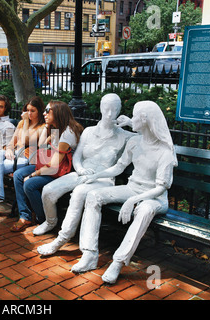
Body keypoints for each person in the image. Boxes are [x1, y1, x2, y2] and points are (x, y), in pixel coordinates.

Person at [72, 101, 177, 284]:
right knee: (93, 195)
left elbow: (161, 188)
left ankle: (118, 262)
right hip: (132, 188)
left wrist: (133, 201)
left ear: (145, 120)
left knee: (144, 210)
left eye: (135, 116)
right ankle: (89, 255)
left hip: (154, 197)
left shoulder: (165, 151)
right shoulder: (135, 142)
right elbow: (119, 167)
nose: (130, 118)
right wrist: (96, 175)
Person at [36, 94, 135, 255]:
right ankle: (50, 221)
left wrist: (132, 124)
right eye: (107, 108)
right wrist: (80, 169)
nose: (110, 113)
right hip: (82, 173)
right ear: (101, 108)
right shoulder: (89, 132)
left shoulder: (124, 135)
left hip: (103, 179)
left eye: (115, 109)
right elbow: (77, 156)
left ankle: (62, 238)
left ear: (119, 111)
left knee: (80, 192)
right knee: (48, 190)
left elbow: (153, 139)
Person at [11, 101, 84, 232]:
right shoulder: (56, 128)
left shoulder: (68, 133)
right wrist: (46, 127)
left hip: (61, 171)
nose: (44, 113)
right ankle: (25, 216)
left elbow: (55, 164)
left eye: (47, 110)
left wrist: (32, 175)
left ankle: (43, 218)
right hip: (48, 166)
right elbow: (42, 146)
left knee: (29, 184)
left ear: (57, 112)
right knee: (17, 175)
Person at [0, 96, 46, 217]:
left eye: (33, 111)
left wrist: (26, 121)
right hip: (13, 155)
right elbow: (12, 141)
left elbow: (27, 140)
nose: (29, 113)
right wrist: (9, 149)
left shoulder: (42, 127)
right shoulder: (21, 123)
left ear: (39, 112)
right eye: (27, 110)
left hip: (26, 159)